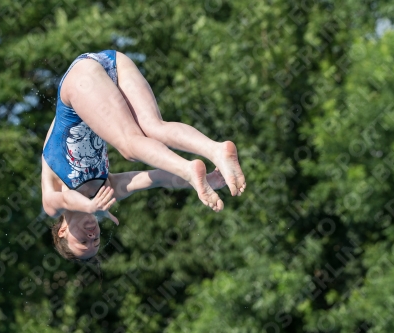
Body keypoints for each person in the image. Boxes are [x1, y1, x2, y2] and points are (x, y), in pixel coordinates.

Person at [42, 50, 246, 261]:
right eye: (96, 241)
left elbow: (64, 199)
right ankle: (215, 149)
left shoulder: (53, 206)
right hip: (114, 62)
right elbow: (156, 178)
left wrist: (90, 207)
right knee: (153, 128)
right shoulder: (107, 191)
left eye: (83, 242)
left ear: (62, 232)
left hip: (80, 79)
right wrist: (207, 181)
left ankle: (187, 169)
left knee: (130, 147)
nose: (92, 236)